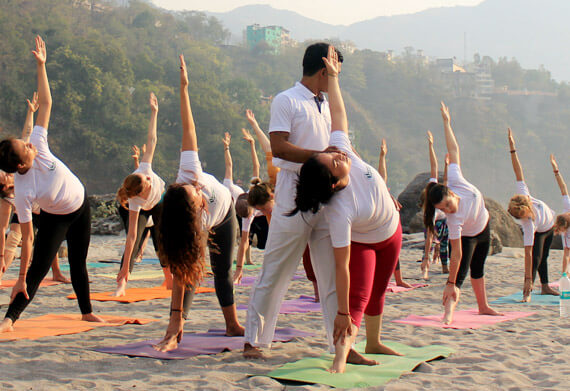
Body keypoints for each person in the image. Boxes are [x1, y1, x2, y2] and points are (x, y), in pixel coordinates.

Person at [244, 43, 371, 365]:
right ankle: (254, 340)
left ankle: (341, 344)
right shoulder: (287, 99)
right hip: (293, 189)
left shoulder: (326, 104)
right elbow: (278, 148)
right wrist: (319, 156)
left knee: (331, 273)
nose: (338, 75)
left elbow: (342, 148)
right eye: (336, 67)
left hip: (329, 193)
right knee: (277, 267)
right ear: (325, 66)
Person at [291, 46, 402, 373]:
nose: (340, 155)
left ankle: (374, 341)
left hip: (392, 230)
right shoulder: (339, 212)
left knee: (379, 293)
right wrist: (339, 311)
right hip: (368, 241)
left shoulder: (342, 150)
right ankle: (341, 357)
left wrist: (335, 78)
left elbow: (338, 113)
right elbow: (342, 268)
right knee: (358, 299)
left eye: (334, 153)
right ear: (332, 182)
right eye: (334, 161)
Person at [0, 36, 103, 333]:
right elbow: (28, 239)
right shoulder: (23, 191)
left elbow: (46, 102)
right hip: (56, 218)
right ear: (20, 166)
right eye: (25, 148)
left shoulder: (39, 144)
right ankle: (9, 319)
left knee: (79, 262)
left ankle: (87, 312)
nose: (30, 145)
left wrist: (41, 65)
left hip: (81, 206)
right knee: (37, 269)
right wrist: (19, 277)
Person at [153, 55, 244, 352]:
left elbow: (187, 128)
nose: (197, 190)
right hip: (209, 223)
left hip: (227, 213)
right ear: (194, 213)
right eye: (196, 196)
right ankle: (177, 328)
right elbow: (180, 276)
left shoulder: (188, 173)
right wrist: (174, 321)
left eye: (193, 190)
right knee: (189, 274)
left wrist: (184, 88)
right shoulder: (193, 227)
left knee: (223, 271)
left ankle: (232, 324)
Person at [423, 102, 502, 325]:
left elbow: (454, 149)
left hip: (484, 228)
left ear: (450, 193)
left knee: (479, 269)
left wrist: (447, 122)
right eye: (443, 210)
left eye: (447, 205)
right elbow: (456, 255)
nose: (448, 210)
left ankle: (483, 306)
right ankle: (448, 313)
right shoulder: (454, 220)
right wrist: (449, 281)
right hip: (469, 237)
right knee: (459, 275)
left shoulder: (457, 181)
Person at [0, 93, 70, 285]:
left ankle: (56, 272)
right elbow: (2, 229)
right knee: (14, 238)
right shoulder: (12, 190)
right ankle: (1, 273)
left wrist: (31, 112)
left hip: (43, 207)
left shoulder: (24, 160)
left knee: (49, 242)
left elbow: (27, 133)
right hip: (28, 208)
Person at [114, 93, 171, 296]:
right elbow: (130, 237)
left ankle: (169, 279)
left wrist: (154, 112)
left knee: (161, 239)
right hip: (146, 208)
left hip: (160, 203)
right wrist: (123, 268)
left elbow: (152, 139)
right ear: (141, 191)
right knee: (136, 240)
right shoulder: (135, 200)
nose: (149, 179)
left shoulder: (144, 170)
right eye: (147, 182)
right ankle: (122, 283)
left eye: (147, 179)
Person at [506, 129, 559, 301]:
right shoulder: (528, 225)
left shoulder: (526, 200)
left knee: (544, 257)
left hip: (549, 225)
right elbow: (527, 254)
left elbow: (518, 170)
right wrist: (527, 279)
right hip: (542, 229)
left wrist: (513, 149)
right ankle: (528, 291)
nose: (520, 220)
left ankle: (544, 287)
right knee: (536, 258)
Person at [377, 138, 412, 288]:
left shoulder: (383, 192)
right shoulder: (376, 194)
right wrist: (382, 156)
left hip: (389, 226)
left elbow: (382, 177)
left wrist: (383, 156)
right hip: (377, 226)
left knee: (394, 253)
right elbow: (382, 177)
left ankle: (399, 280)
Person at [421, 131, 450, 279]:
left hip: (444, 222)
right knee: (430, 244)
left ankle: (445, 266)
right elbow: (429, 237)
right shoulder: (431, 210)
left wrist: (446, 165)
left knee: (444, 245)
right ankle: (426, 266)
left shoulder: (438, 191)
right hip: (436, 223)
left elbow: (441, 175)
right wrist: (426, 255)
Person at [550, 154, 570, 274]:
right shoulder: (567, 204)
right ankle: (565, 274)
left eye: (561, 230)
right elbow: (563, 187)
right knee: (567, 252)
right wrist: (556, 170)